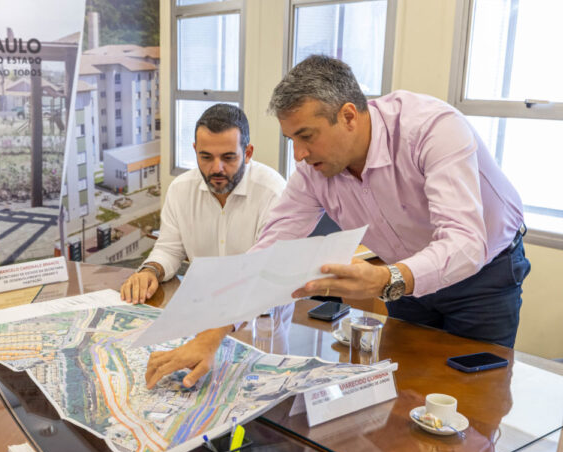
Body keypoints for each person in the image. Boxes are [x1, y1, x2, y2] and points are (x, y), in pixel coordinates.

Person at [145, 55, 530, 389]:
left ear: (348, 116)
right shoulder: (313, 171)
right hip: (402, 284)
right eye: (291, 139)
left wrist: (385, 279)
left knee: (477, 397)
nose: (298, 154)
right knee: (409, 390)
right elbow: (269, 254)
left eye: (306, 136)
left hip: (483, 277)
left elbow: (466, 243)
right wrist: (213, 334)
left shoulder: (432, 129)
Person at [120, 103, 285, 303]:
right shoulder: (180, 189)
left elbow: (268, 270)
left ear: (248, 153)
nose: (217, 168)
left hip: (259, 309)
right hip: (200, 305)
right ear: (195, 150)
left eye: (228, 157)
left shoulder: (272, 193)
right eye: (206, 157)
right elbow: (169, 249)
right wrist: (150, 271)